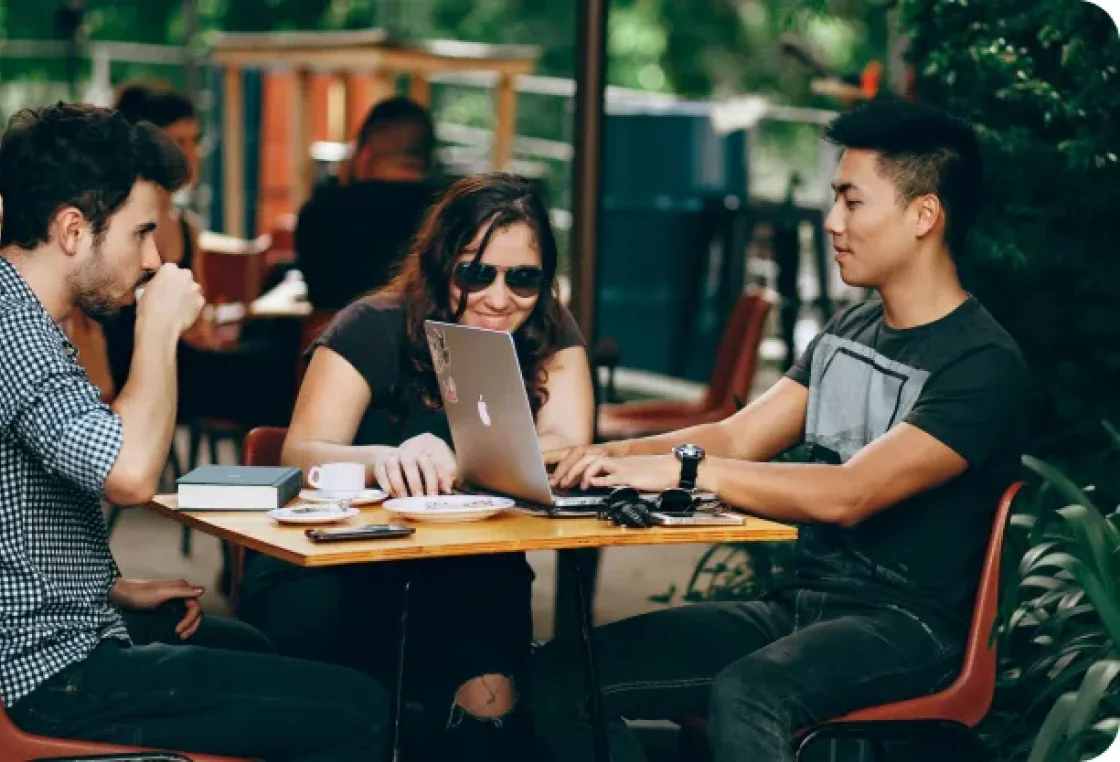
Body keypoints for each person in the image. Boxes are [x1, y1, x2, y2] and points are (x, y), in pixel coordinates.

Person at [0, 102, 387, 761]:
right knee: (361, 710)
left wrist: (108, 588)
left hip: (2, 657)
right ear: (71, 230)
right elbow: (132, 475)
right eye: (140, 233)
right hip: (43, 679)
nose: (151, 259)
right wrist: (157, 331)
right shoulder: (9, 335)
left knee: (252, 646)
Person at [530, 99, 1030, 762]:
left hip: (909, 628)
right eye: (835, 199)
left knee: (750, 692)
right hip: (800, 608)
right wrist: (598, 457)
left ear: (923, 216)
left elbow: (851, 493)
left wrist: (684, 469)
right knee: (559, 678)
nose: (831, 222)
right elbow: (738, 437)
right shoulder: (849, 332)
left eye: (852, 202)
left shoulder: (981, 364)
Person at [238, 172, 595, 762]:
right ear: (440, 265)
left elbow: (567, 440)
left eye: (524, 278)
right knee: (363, 719)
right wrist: (385, 460)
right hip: (340, 573)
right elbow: (300, 454)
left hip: (469, 577)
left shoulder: (547, 329)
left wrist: (467, 459)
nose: (500, 298)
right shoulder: (372, 325)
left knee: (492, 730)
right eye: (476, 273)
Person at [294, 96, 444, 312]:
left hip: (336, 340)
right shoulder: (451, 214)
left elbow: (320, 296)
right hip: (425, 341)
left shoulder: (320, 212)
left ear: (364, 154)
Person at [101, 79, 205, 391]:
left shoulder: (188, 229)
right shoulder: (110, 226)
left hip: (178, 371)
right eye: (179, 142)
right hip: (123, 377)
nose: (191, 155)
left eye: (194, 141)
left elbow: (199, 328)